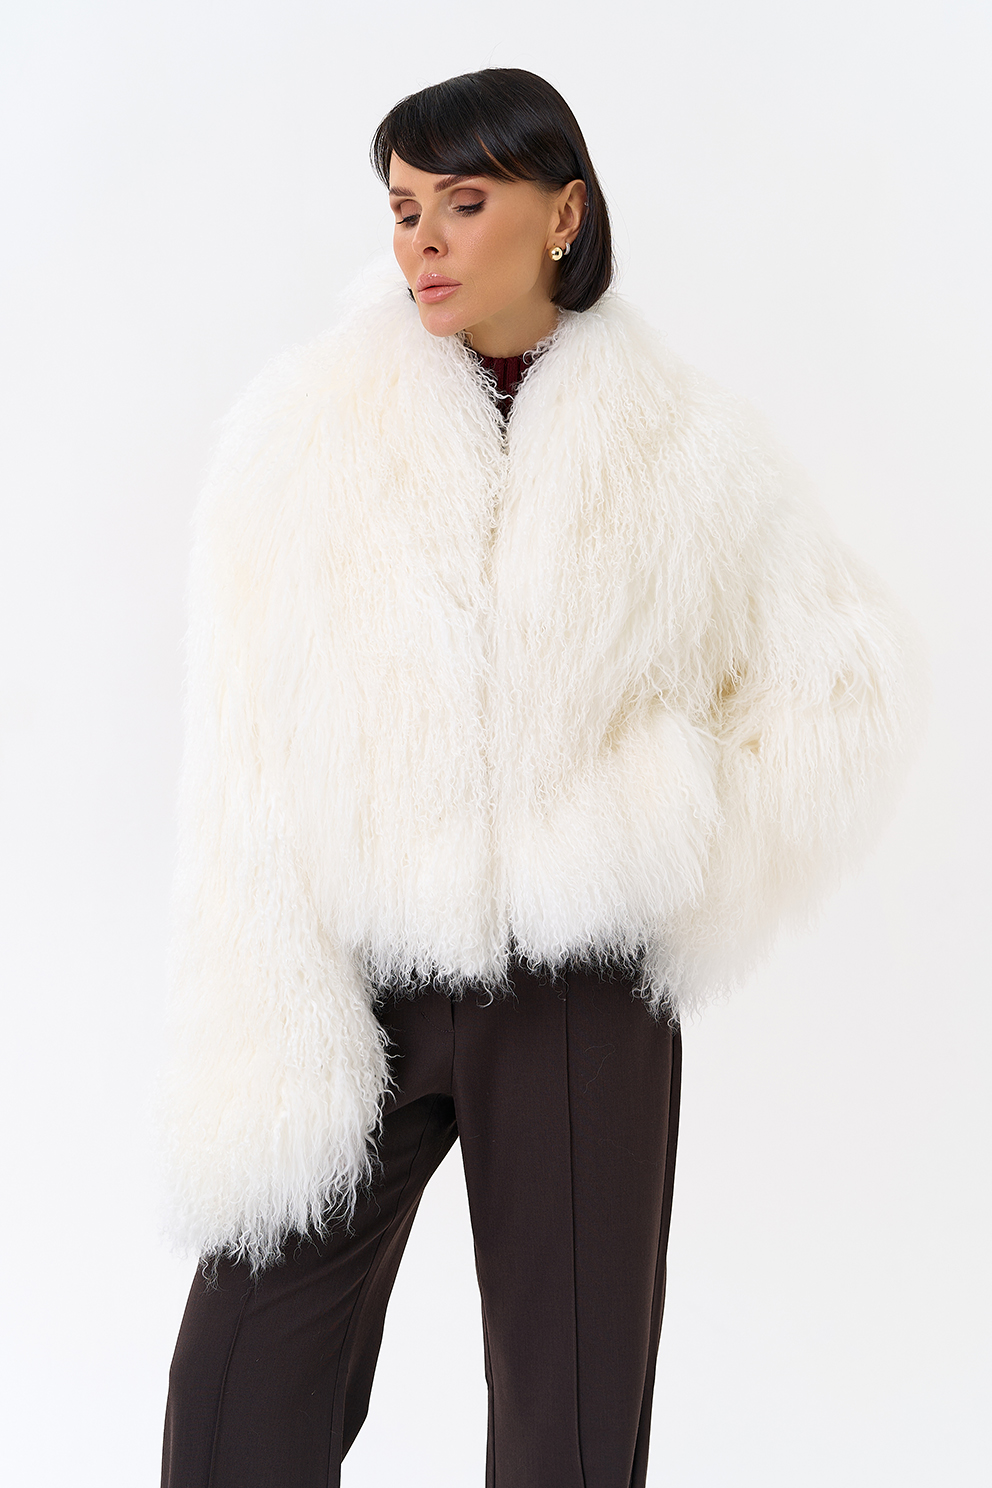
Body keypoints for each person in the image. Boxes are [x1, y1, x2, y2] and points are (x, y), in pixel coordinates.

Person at [160, 68, 922, 1488]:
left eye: (465, 202)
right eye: (404, 209)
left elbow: (846, 683)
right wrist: (263, 986)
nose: (425, 243)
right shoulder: (305, 438)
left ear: (562, 214)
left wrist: (659, 855)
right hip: (365, 979)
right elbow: (241, 750)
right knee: (234, 1400)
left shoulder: (686, 450)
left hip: (579, 991)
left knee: (569, 1433)